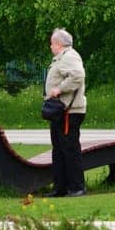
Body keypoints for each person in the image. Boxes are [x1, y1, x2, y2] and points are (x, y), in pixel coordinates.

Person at [45, 28, 86, 198]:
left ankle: (77, 187)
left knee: (70, 149)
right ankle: (60, 187)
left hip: (69, 111)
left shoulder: (70, 56)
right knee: (58, 149)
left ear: (59, 44)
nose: (50, 47)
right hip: (60, 111)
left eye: (52, 43)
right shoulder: (62, 58)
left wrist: (59, 90)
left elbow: (78, 76)